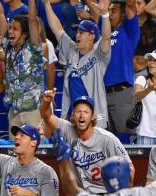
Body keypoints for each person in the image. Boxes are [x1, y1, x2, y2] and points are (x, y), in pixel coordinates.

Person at [44, 0, 112, 128]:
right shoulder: (72, 51)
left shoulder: (99, 54)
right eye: (77, 32)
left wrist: (105, 15)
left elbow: (106, 37)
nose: (77, 35)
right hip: (72, 118)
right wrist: (47, 4)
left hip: (94, 119)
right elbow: (57, 29)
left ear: (92, 36)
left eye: (81, 32)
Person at [0, 0, 44, 137]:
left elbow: (32, 18)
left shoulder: (33, 48)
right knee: (15, 154)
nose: (10, 31)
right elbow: (0, 13)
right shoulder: (9, 50)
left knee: (34, 151)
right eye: (10, 28)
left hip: (33, 111)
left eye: (15, 29)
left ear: (25, 33)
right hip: (13, 112)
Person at [100, 0, 140, 135]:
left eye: (114, 11)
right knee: (105, 140)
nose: (110, 14)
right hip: (101, 93)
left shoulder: (129, 31)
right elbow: (99, 10)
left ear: (123, 14)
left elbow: (131, 5)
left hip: (122, 94)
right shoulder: (103, 31)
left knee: (125, 138)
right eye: (109, 11)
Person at [132, 0, 156, 79]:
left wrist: (145, 63)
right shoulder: (126, 24)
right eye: (133, 3)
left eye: (139, 3)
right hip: (127, 71)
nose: (135, 6)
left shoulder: (155, 26)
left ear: (147, 5)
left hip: (147, 71)